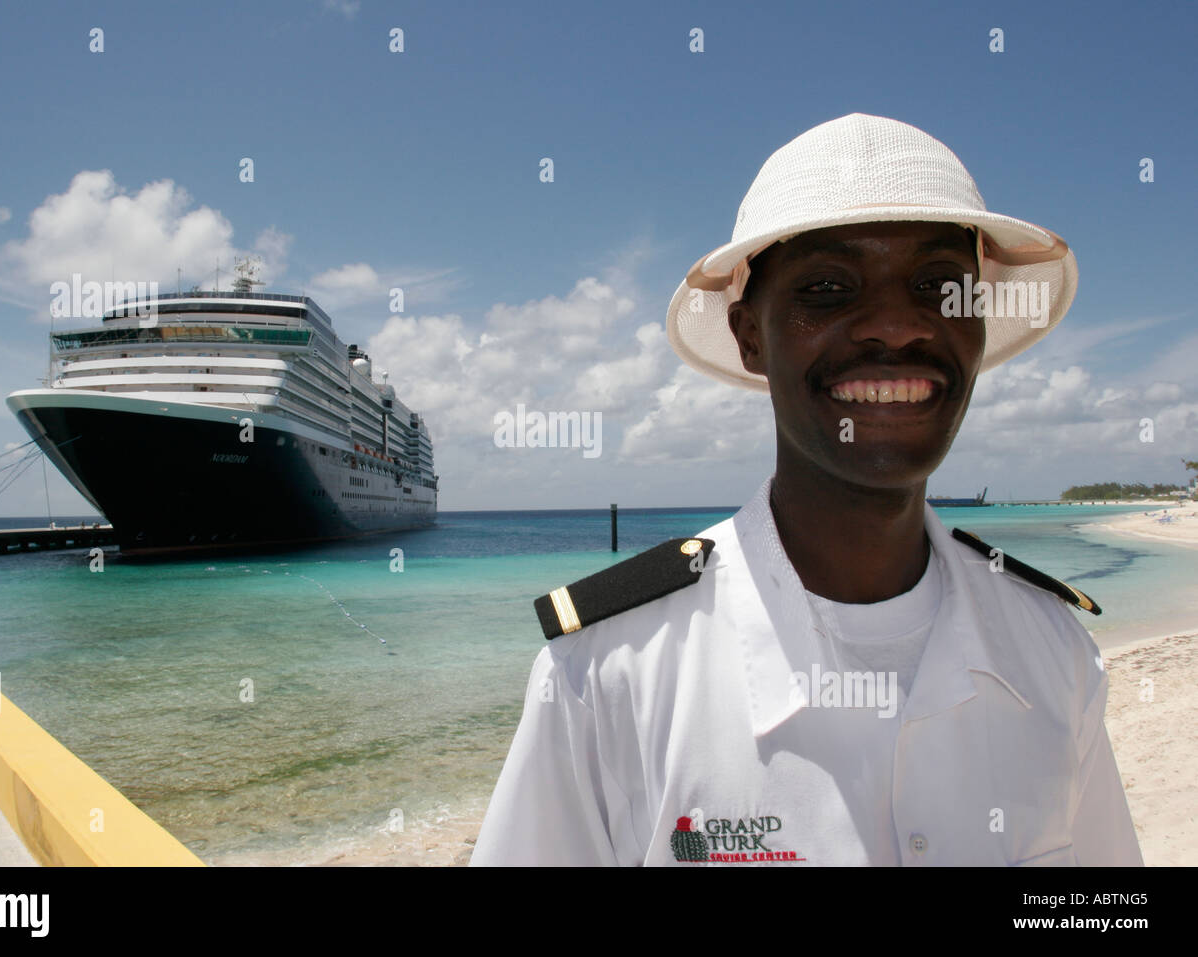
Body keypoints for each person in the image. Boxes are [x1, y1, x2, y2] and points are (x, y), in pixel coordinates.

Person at [471, 114, 1142, 867]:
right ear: (749, 336)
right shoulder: (607, 673)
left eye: (939, 286)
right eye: (827, 288)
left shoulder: (1055, 655)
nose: (895, 324)